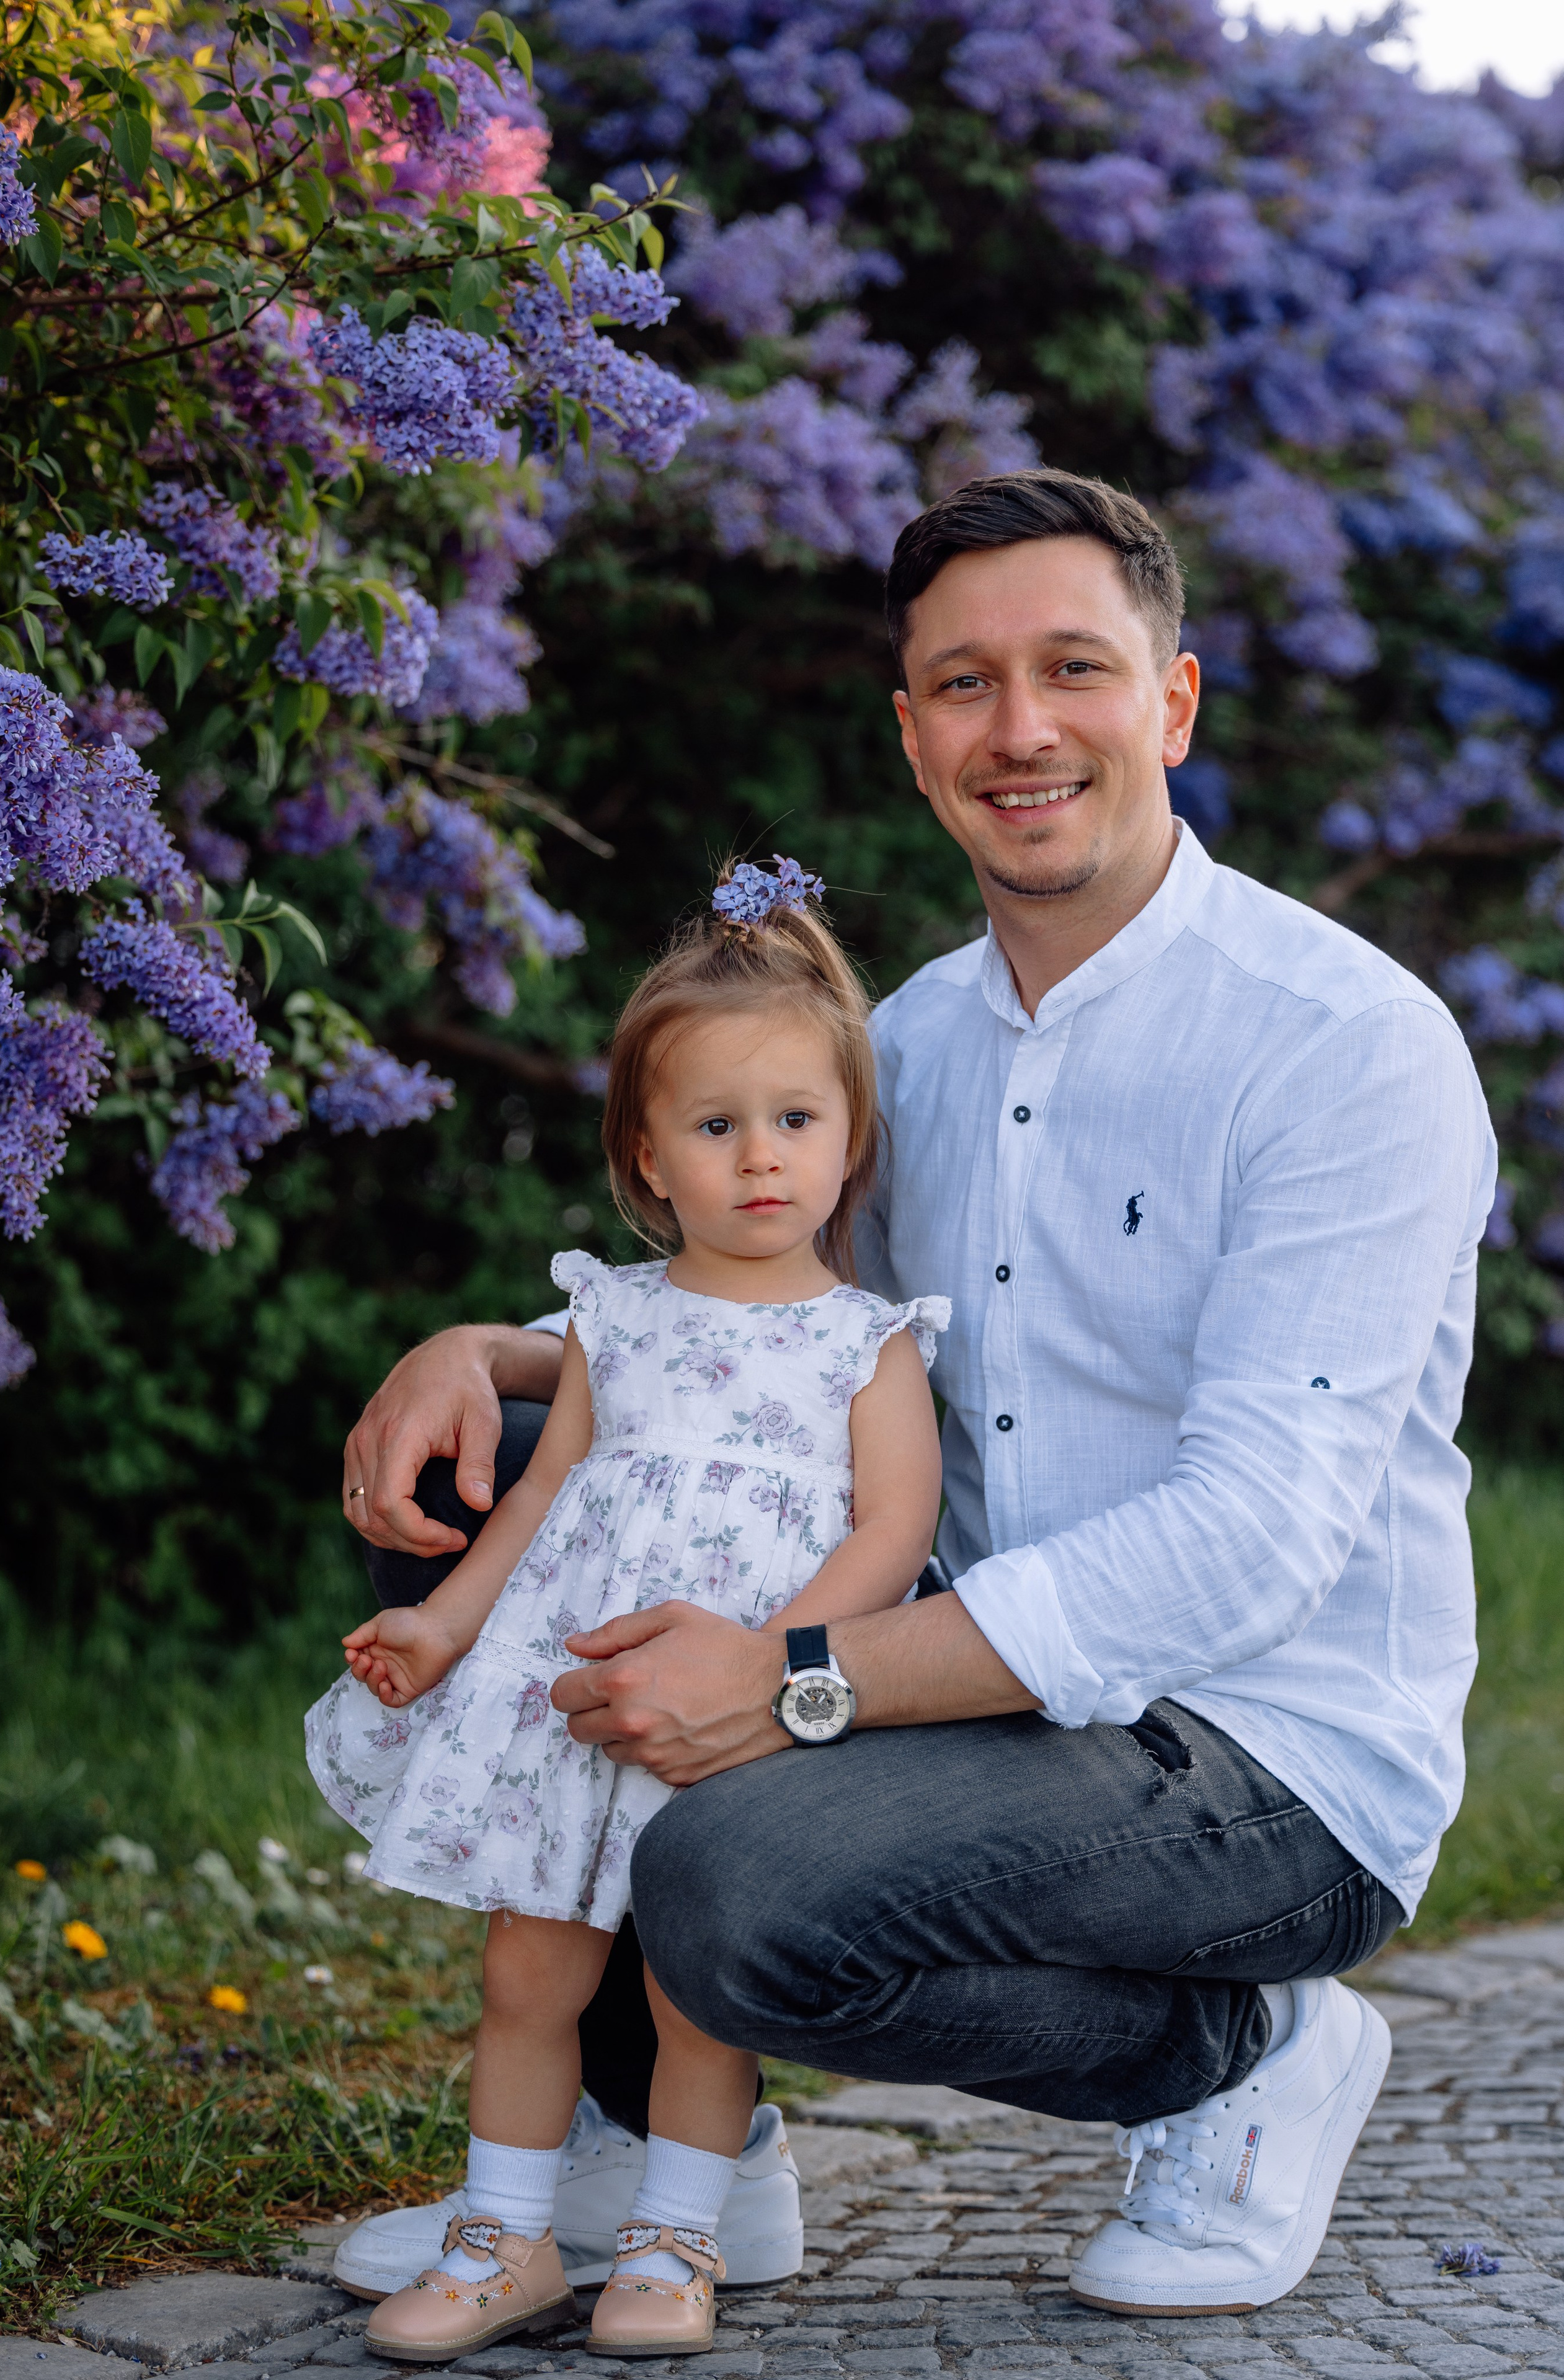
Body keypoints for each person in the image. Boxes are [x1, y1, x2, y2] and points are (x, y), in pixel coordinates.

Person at [337, 467, 1497, 2320]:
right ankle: (687, 2174)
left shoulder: (1345, 1046)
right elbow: (767, 1342)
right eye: (964, 683)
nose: (1019, 728)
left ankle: (1249, 2047)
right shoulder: (907, 1048)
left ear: (1173, 703)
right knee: (516, 1490)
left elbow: (1255, 1534)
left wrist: (803, 1677)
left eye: (1073, 670)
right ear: (910, 732)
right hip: (964, 1692)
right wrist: (488, 1354)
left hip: (1264, 1754)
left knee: (734, 1877)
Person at [307, 880, 949, 2360]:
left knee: (690, 1987)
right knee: (526, 1971)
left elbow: (891, 1530)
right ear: (646, 1157)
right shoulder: (614, 1315)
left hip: (734, 1710)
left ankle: (672, 2244)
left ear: (848, 1137)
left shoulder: (867, 1342)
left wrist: (774, 1664)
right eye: (714, 1126)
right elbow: (537, 1502)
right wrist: (445, 1626)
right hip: (573, 1696)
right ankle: (502, 2240)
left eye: (794, 1117)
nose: (760, 1155)